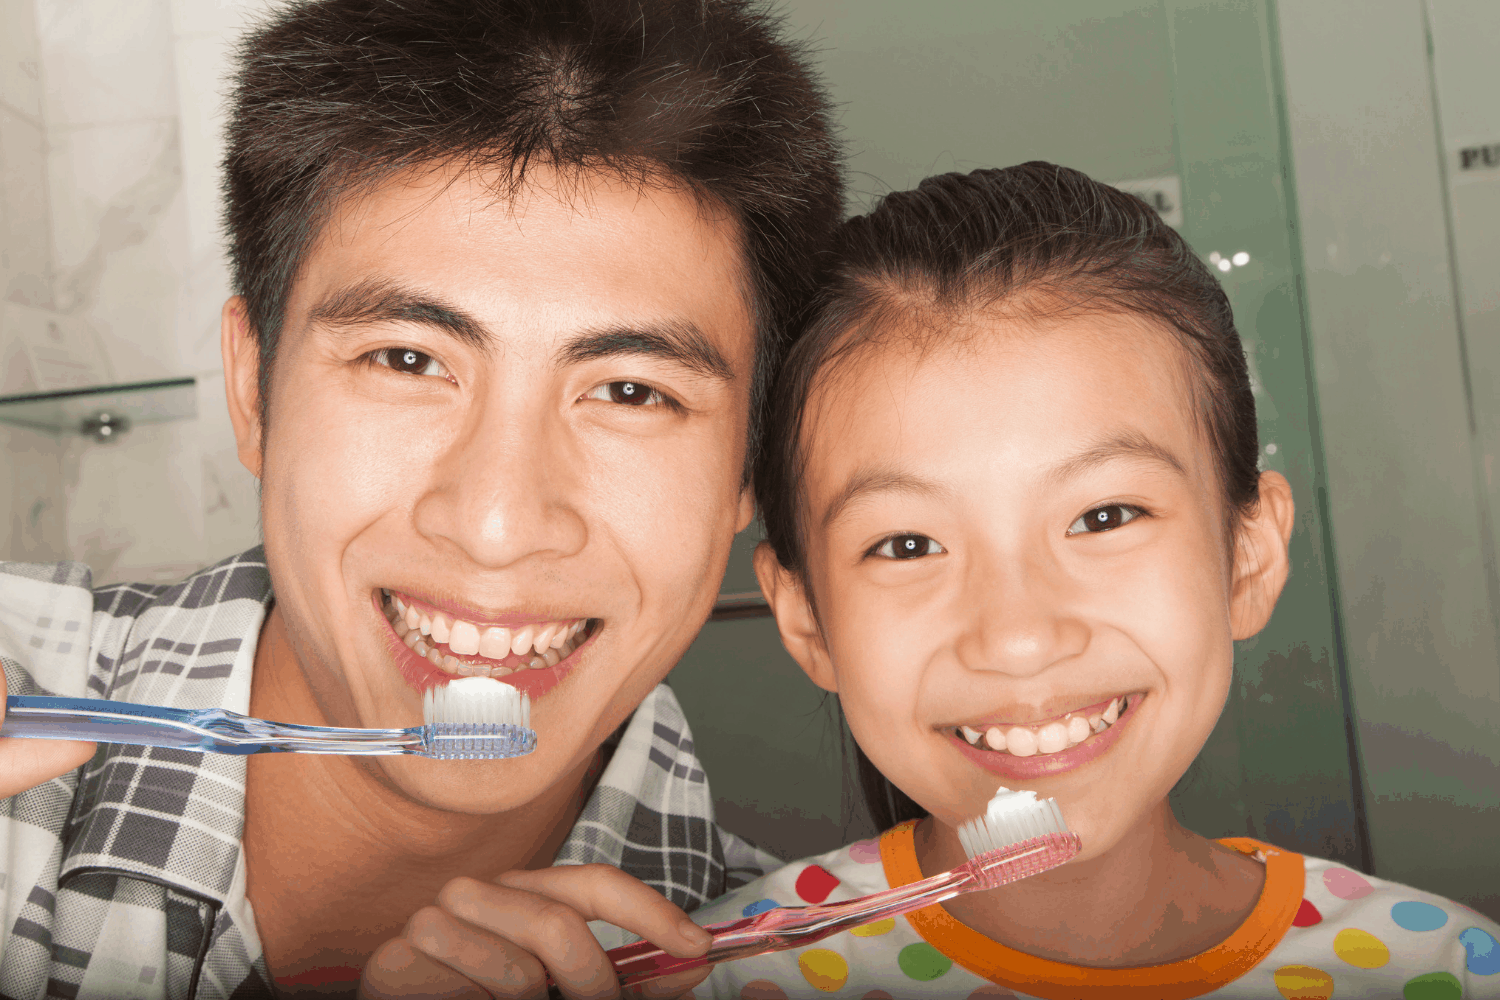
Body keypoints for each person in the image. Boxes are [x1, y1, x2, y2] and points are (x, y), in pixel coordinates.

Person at [0, 0, 842, 997]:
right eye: (407, 359)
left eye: (629, 391)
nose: (495, 525)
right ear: (251, 389)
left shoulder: (784, 969)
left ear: (751, 466)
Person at [680, 162, 1500, 998]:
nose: (1020, 637)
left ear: (1247, 557)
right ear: (807, 620)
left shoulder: (1447, 969)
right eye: (907, 544)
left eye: (1104, 518)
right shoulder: (710, 981)